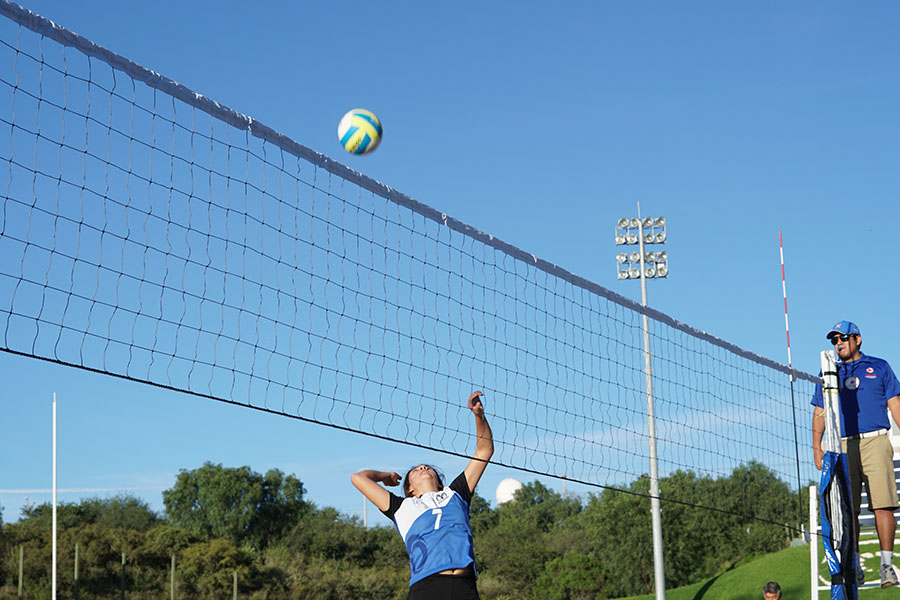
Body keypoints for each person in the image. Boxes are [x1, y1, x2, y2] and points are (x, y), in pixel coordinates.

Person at [351, 390, 493, 600]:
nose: (424, 468)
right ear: (410, 489)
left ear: (439, 479)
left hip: (464, 585)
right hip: (426, 587)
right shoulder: (402, 508)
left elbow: (484, 451)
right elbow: (358, 478)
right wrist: (386, 476)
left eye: (428, 467)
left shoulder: (456, 494)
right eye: (416, 470)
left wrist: (478, 415)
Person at [811, 320, 900, 588]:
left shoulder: (880, 366)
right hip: (843, 445)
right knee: (848, 510)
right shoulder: (829, 371)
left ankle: (886, 566)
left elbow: (895, 404)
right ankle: (855, 566)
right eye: (834, 340)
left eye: (844, 338)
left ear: (857, 339)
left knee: (882, 505)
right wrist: (817, 446)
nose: (839, 343)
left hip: (876, 441)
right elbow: (819, 412)